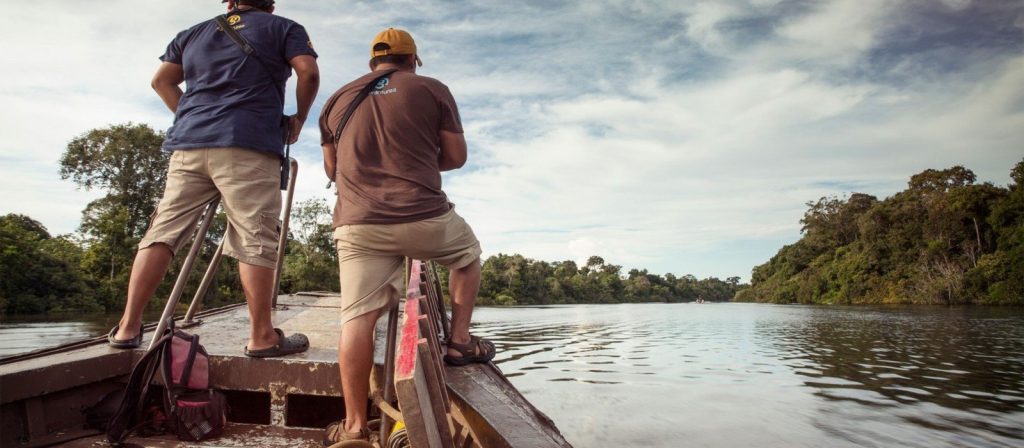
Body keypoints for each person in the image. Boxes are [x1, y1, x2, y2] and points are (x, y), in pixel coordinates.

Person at [107, 0, 320, 358]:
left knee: (163, 231)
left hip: (189, 145)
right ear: (269, 3)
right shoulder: (285, 28)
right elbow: (308, 73)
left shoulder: (191, 33)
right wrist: (298, 118)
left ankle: (128, 327)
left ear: (229, 1)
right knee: (255, 235)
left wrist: (191, 115)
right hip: (248, 143)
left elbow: (162, 81)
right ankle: (262, 336)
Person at [318, 28, 495, 444]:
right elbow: (456, 157)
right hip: (423, 216)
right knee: (467, 256)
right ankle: (459, 343)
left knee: (356, 320)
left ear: (372, 63)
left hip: (358, 224)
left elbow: (332, 170)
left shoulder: (336, 100)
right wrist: (414, 158)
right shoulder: (432, 89)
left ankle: (354, 428)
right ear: (412, 59)